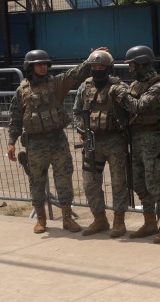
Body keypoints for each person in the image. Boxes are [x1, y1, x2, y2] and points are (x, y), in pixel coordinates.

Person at [7, 48, 98, 234]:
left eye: (45, 64)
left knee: (64, 178)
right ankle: (41, 219)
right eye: (39, 64)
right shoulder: (21, 91)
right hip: (35, 143)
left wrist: (91, 58)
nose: (43, 67)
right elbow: (15, 118)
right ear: (30, 67)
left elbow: (75, 74)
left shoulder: (56, 84)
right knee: (36, 181)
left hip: (57, 140)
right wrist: (11, 141)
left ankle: (66, 218)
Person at [112, 45, 160, 243]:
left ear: (141, 63)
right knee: (139, 182)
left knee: (156, 182)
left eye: (132, 65)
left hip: (151, 139)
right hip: (135, 138)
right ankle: (149, 222)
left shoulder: (159, 86)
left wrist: (121, 93)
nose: (130, 69)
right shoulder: (135, 86)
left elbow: (139, 107)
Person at [73, 50, 132, 237]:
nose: (97, 70)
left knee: (118, 182)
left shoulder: (119, 86)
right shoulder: (85, 87)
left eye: (101, 67)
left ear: (108, 68)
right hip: (92, 142)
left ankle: (119, 221)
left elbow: (130, 111)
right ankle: (99, 219)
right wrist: (81, 129)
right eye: (94, 67)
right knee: (90, 182)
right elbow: (76, 111)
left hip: (115, 140)